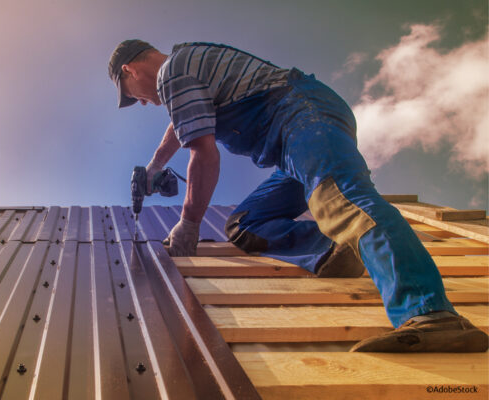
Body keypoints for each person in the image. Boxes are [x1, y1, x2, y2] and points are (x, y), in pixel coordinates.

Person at [108, 39, 488, 352]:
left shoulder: (172, 72)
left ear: (130, 70)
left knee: (340, 199)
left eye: (132, 95)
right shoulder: (185, 71)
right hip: (293, 144)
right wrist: (155, 166)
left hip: (302, 116)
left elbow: (204, 152)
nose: (142, 102)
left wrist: (189, 223)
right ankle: (335, 253)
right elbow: (181, 123)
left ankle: (432, 313)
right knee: (246, 224)